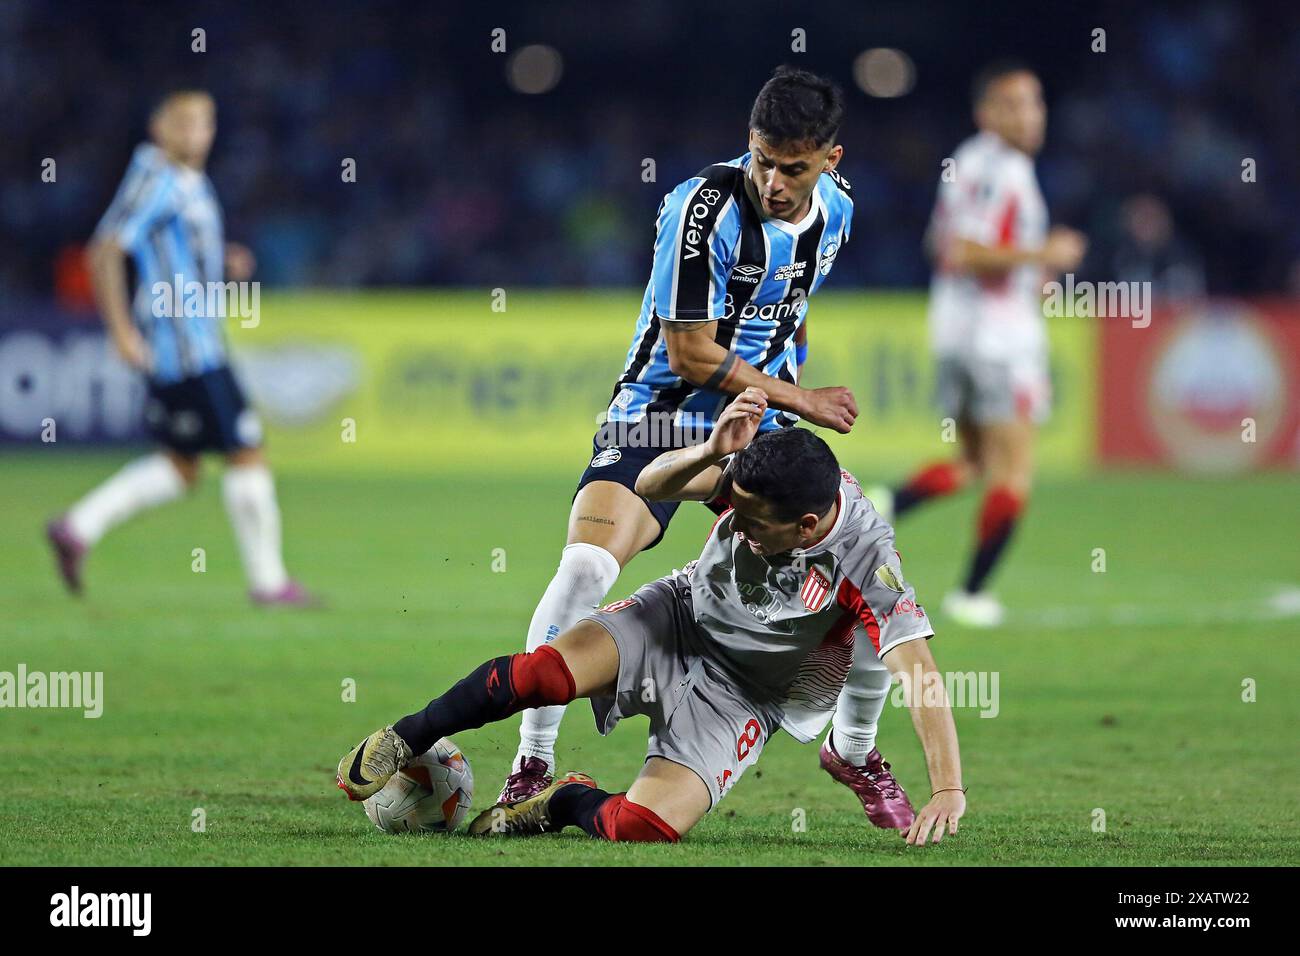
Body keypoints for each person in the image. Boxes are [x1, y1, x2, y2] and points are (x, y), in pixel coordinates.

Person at [499, 67, 912, 828]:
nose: (775, 181)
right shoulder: (701, 209)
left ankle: (853, 748)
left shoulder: (839, 213)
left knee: (860, 575)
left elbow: (790, 307)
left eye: (794, 167)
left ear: (831, 159)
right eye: (763, 159)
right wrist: (803, 398)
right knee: (586, 565)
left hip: (762, 427)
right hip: (657, 417)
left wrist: (781, 392)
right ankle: (533, 763)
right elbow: (690, 353)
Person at [338, 389, 965, 846]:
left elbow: (920, 674)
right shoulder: (759, 472)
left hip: (748, 697)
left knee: (645, 827)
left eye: (750, 523)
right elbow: (653, 486)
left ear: (807, 527)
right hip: (679, 617)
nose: (736, 528)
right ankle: (405, 737)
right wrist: (711, 451)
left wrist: (948, 788)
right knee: (544, 676)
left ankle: (562, 801)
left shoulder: (866, 559)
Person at [45, 90, 314, 606]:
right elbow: (104, 250)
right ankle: (269, 584)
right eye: (184, 122)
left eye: (205, 122)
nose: (196, 132)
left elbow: (172, 252)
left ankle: (77, 527)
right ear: (159, 127)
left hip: (195, 345)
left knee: (181, 466)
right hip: (188, 352)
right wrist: (120, 331)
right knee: (246, 449)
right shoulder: (156, 177)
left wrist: (220, 261)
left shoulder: (188, 182)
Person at [877, 61, 1088, 628]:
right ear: (988, 113)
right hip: (1000, 341)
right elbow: (964, 251)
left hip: (954, 331)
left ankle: (882, 506)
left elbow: (940, 245)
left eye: (1036, 102)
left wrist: (1026, 270)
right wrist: (1043, 254)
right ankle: (971, 594)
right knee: (1014, 472)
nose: (1031, 115)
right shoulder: (1004, 170)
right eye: (1016, 104)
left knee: (971, 462)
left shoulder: (965, 163)